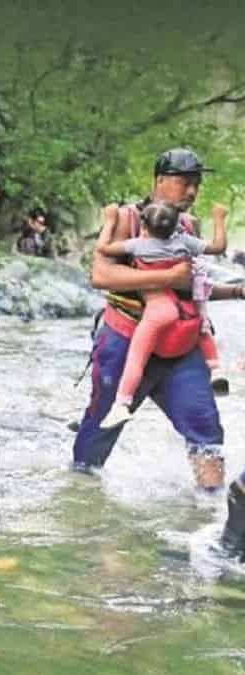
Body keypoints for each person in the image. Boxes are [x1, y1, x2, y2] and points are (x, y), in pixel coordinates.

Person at [73, 148, 245, 492]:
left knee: (206, 428)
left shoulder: (189, 226)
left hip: (181, 344)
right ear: (159, 181)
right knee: (99, 432)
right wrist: (167, 280)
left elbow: (194, 287)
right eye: (184, 182)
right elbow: (101, 274)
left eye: (196, 183)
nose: (193, 191)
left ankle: (210, 514)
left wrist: (236, 291)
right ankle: (81, 505)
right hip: (125, 338)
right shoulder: (126, 219)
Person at [97, 201, 228, 429]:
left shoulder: (140, 245)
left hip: (158, 309)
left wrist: (109, 220)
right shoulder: (184, 241)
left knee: (136, 358)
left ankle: (121, 404)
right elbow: (217, 247)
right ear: (177, 225)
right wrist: (218, 218)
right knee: (203, 326)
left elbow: (104, 248)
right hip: (185, 308)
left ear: (144, 228)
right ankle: (215, 368)